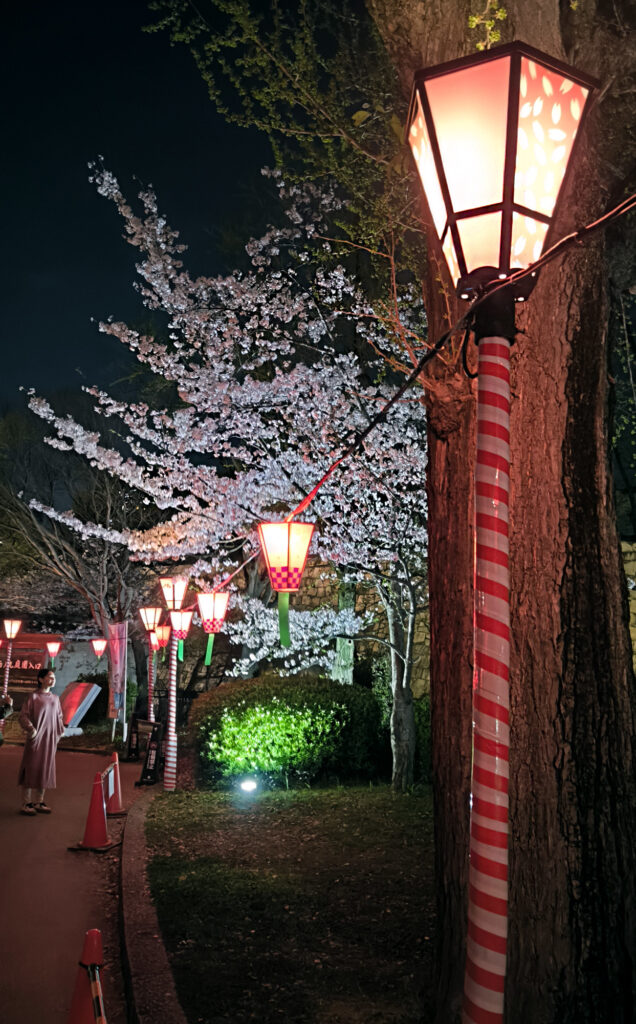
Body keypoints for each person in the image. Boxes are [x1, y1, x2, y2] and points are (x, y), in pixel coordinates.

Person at [18, 668, 65, 815]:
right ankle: (27, 803)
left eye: (54, 678)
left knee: (45, 768)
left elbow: (59, 718)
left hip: (50, 740)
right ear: (40, 679)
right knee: (31, 767)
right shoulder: (33, 697)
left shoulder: (55, 698)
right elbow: (23, 716)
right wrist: (31, 730)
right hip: (36, 738)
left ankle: (40, 801)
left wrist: (59, 733)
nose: (52, 680)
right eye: (50, 677)